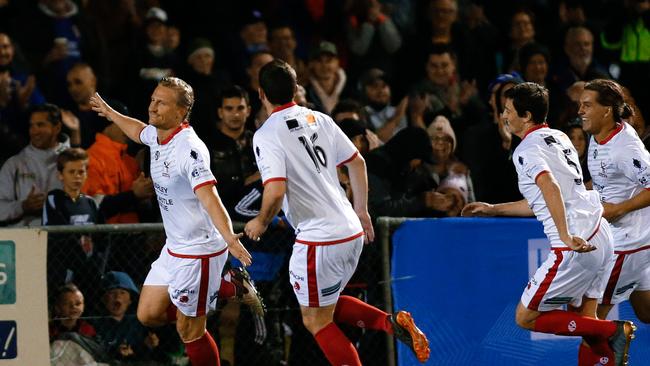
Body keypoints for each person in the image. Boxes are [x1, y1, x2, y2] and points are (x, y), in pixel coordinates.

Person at [244, 59, 430, 365]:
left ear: (261, 94)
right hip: (350, 230)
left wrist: (260, 221)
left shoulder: (267, 134)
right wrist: (362, 211)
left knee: (316, 321)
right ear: (295, 89)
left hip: (319, 239)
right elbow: (357, 162)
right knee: (324, 307)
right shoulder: (320, 119)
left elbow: (275, 190)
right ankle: (390, 322)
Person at [88, 76, 262, 366]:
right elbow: (138, 131)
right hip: (174, 247)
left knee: (189, 329)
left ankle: (214, 293)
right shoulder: (157, 134)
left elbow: (210, 197)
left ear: (181, 112)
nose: (152, 107)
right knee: (148, 315)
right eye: (153, 100)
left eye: (161, 103)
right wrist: (110, 113)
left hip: (200, 251)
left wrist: (231, 239)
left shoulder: (189, 149)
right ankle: (229, 287)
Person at [461, 82, 635, 365]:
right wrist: (493, 209)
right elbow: (541, 199)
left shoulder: (525, 150)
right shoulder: (559, 137)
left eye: (507, 110)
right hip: (599, 234)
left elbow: (550, 186)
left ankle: (613, 329)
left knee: (526, 316)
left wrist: (565, 236)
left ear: (526, 115)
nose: (504, 116)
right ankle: (605, 349)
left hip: (575, 244)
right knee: (585, 323)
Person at [579, 79, 650, 327]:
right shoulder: (598, 135)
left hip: (628, 244)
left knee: (589, 320)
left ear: (606, 110)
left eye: (587, 105)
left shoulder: (625, 147)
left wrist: (618, 209)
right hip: (628, 240)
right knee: (647, 312)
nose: (580, 111)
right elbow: (605, 182)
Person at [0, 103, 70, 226]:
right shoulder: (14, 165)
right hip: (25, 240)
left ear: (57, 127)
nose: (34, 131)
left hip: (65, 239)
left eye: (40, 125)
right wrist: (23, 206)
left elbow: (87, 202)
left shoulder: (74, 161)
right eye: (31, 126)